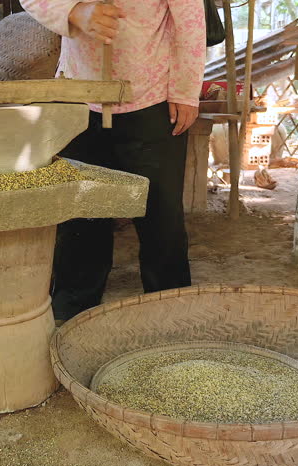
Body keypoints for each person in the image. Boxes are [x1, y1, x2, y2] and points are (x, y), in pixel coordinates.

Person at [21, 0, 206, 321]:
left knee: (160, 215)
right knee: (81, 214)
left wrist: (186, 91)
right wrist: (75, 11)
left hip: (151, 97)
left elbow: (190, 22)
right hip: (79, 93)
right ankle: (73, 312)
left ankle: (171, 310)